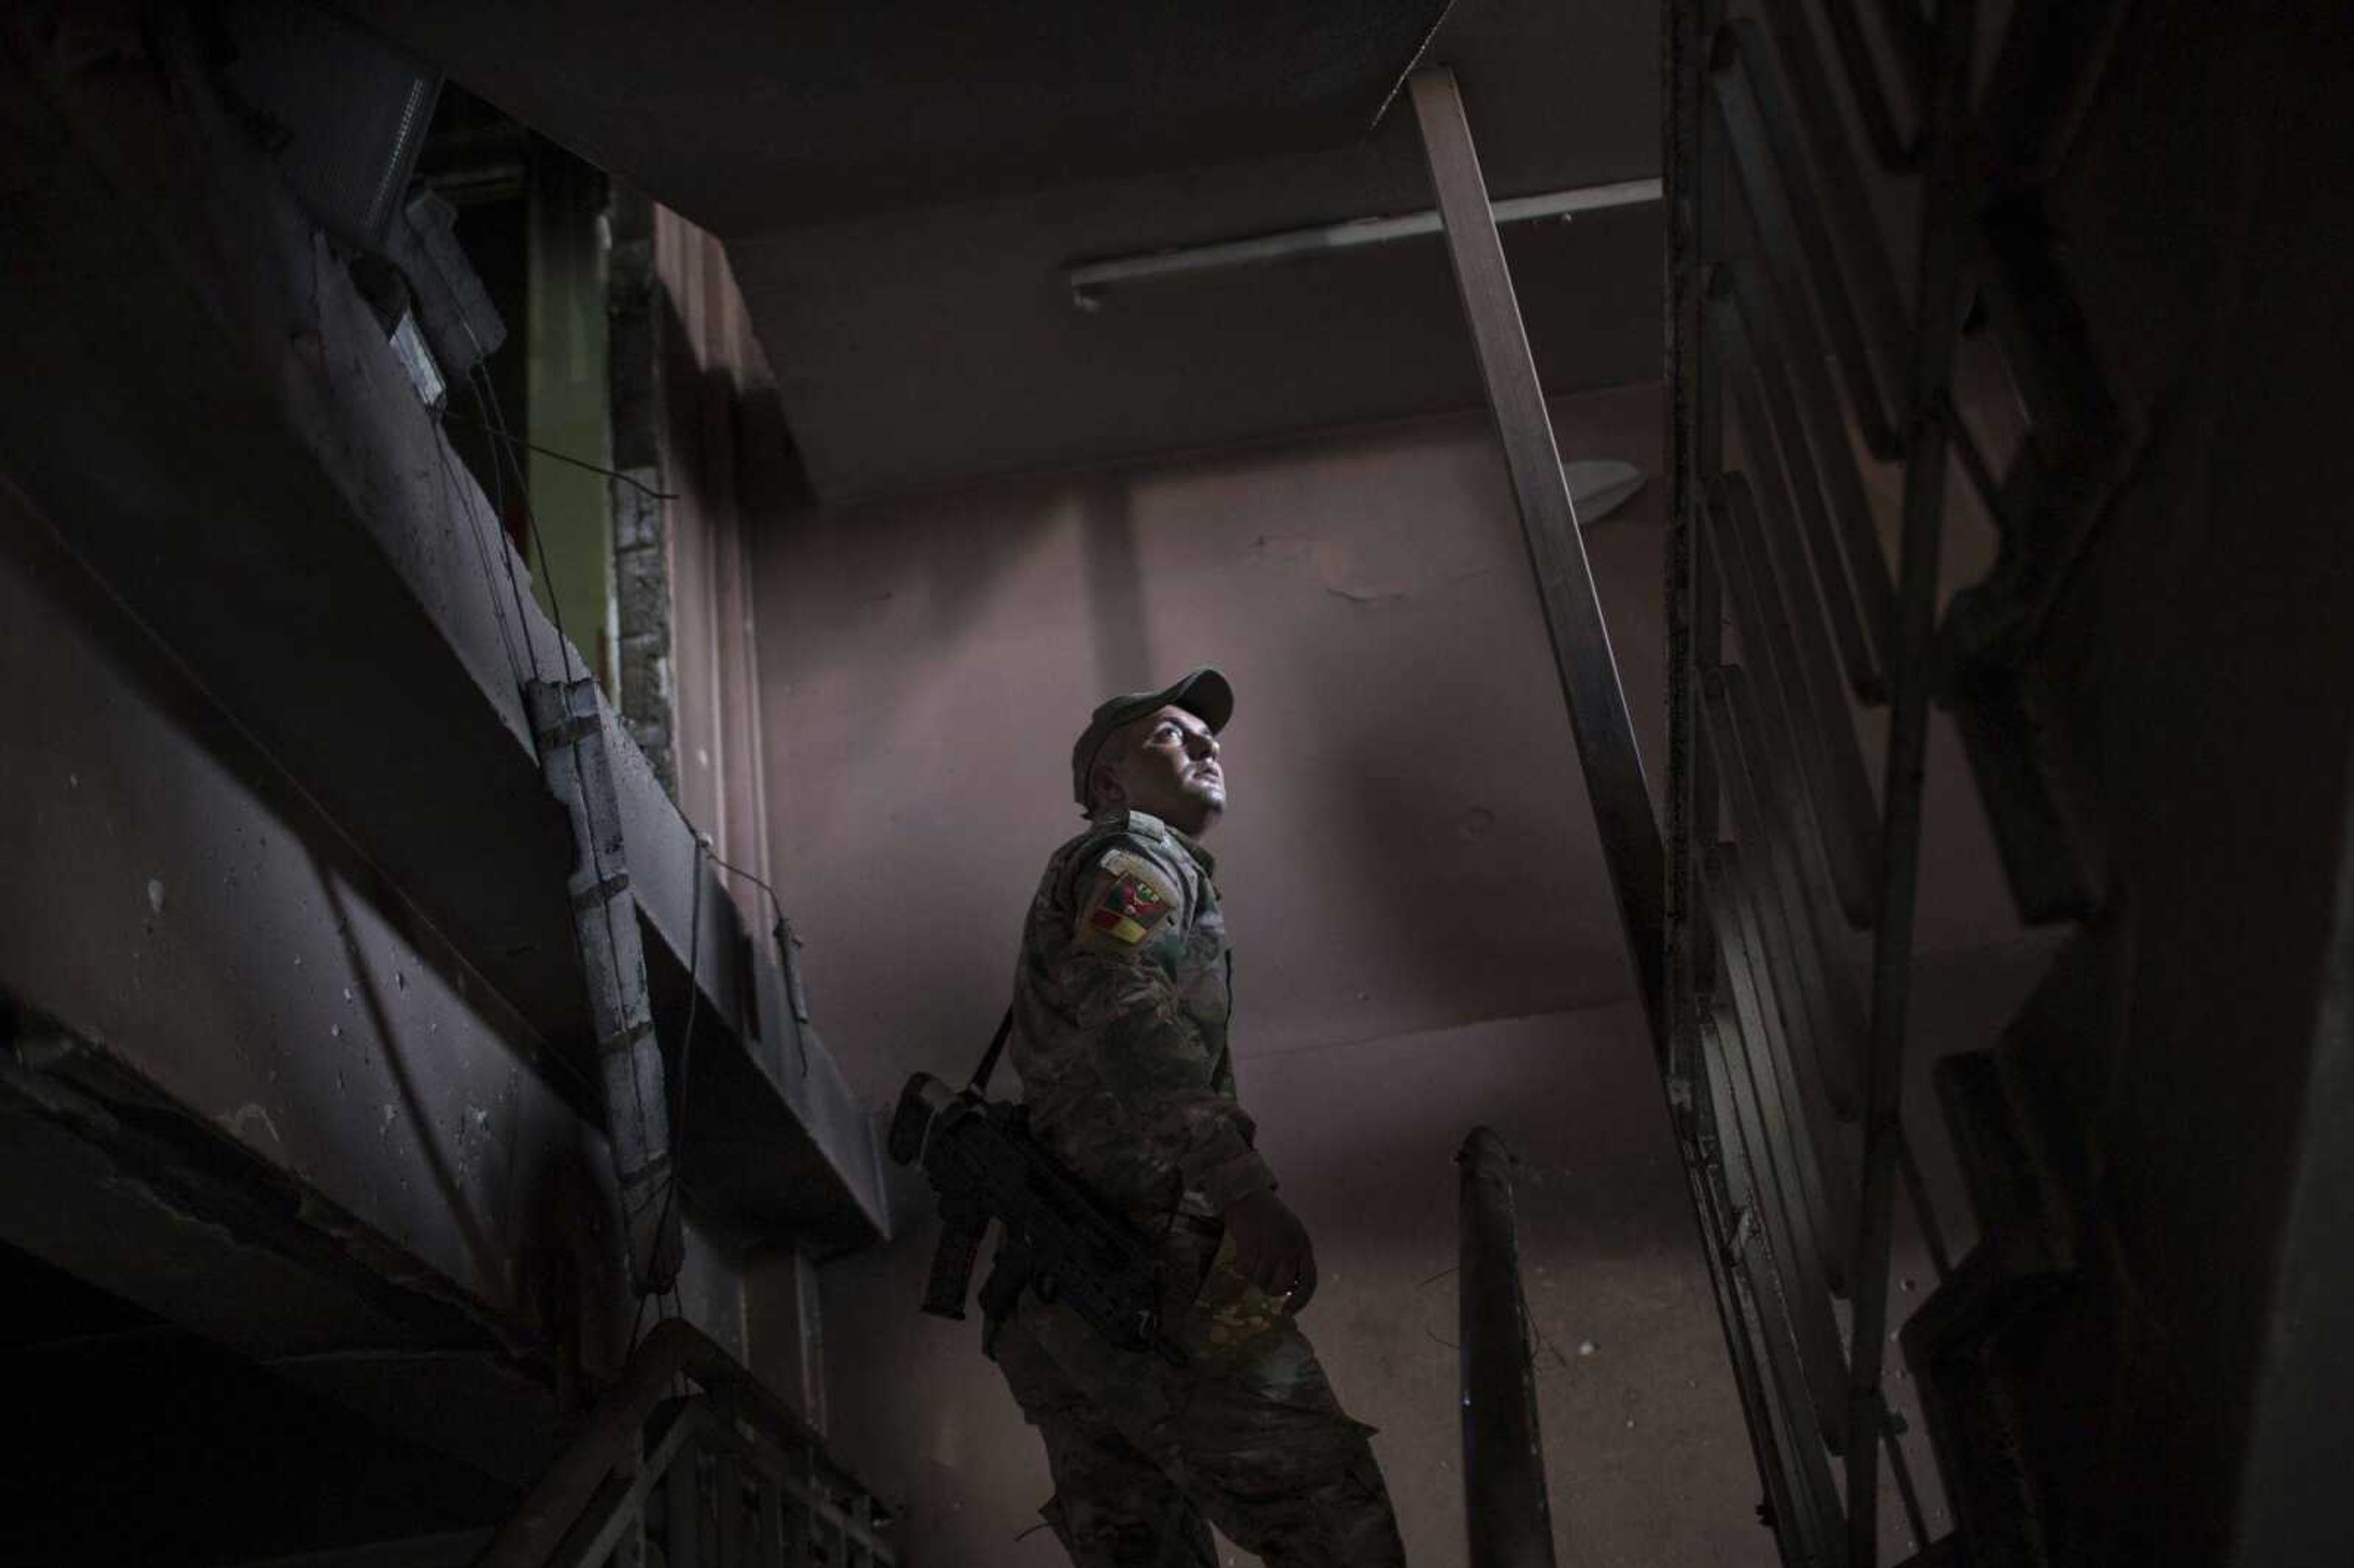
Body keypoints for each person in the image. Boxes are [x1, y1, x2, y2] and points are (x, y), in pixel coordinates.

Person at [990, 667, 1407, 1567]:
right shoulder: (1134, 856)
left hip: (1064, 1285)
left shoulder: (1110, 870)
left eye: (1207, 734)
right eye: (1172, 736)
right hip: (1147, 1255)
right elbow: (1126, 1005)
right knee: (1334, 1515)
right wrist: (1242, 1187)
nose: (1208, 745)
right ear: (1110, 785)